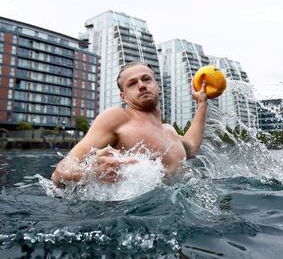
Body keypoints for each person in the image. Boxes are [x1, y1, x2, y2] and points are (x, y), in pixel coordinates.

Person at [51, 62, 208, 188]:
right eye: (132, 83)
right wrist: (93, 173)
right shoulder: (117, 118)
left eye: (146, 79)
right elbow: (60, 173)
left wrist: (201, 103)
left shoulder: (169, 131)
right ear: (123, 96)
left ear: (158, 87)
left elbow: (192, 147)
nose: (141, 85)